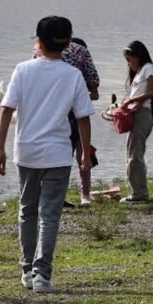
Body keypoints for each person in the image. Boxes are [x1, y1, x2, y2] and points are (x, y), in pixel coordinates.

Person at [0, 16, 94, 293]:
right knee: (50, 215)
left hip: (26, 151)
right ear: (67, 43)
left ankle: (27, 269)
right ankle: (42, 274)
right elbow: (84, 118)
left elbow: (6, 109)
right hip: (59, 153)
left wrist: (0, 149)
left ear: (38, 41)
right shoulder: (73, 75)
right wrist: (85, 153)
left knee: (27, 211)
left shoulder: (23, 70)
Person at [33, 36, 100, 205]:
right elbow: (95, 88)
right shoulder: (82, 55)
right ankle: (84, 195)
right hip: (74, 115)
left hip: (50, 114)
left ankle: (53, 195)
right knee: (82, 154)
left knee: (59, 154)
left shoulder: (38, 54)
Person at [120, 41, 153, 203]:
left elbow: (152, 91)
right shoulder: (138, 74)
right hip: (136, 114)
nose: (129, 63)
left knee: (135, 155)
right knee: (132, 153)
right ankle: (137, 191)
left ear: (138, 56)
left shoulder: (148, 68)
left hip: (143, 114)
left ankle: (140, 194)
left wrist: (130, 100)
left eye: (130, 59)